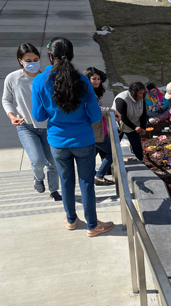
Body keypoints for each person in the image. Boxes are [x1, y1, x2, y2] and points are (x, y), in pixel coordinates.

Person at [32, 37, 114, 236]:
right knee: (86, 182)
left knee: (66, 181)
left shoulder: (39, 80)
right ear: (71, 56)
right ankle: (92, 225)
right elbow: (95, 116)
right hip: (83, 140)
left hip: (57, 141)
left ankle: (71, 220)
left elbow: (38, 116)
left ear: (50, 56)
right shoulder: (83, 80)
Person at [2, 43, 61, 201]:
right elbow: (6, 99)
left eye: (35, 59)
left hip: (48, 127)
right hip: (26, 127)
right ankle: (38, 177)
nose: (33, 63)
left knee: (53, 162)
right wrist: (11, 116)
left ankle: (54, 190)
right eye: (28, 60)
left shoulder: (46, 78)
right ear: (20, 60)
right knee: (37, 160)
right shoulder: (13, 78)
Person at [84, 67, 114, 186]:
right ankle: (99, 176)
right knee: (112, 152)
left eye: (98, 79)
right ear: (87, 79)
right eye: (93, 79)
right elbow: (92, 110)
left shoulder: (93, 92)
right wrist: (109, 111)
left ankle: (90, 174)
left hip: (96, 130)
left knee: (92, 155)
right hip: (95, 131)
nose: (96, 81)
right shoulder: (87, 93)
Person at [111, 82, 147, 162]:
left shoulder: (142, 98)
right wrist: (135, 127)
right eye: (140, 93)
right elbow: (122, 117)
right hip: (119, 125)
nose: (141, 95)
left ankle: (141, 162)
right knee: (113, 147)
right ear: (134, 93)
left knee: (137, 146)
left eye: (143, 93)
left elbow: (143, 114)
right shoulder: (122, 99)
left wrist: (143, 127)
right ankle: (110, 165)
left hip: (134, 126)